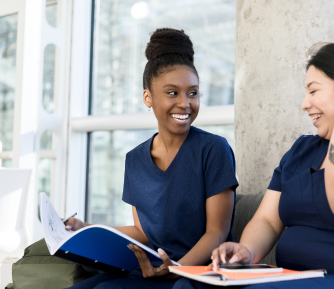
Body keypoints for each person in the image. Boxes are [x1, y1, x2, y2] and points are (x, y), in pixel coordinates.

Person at [173, 42, 334, 289]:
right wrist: (246, 252)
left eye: (313, 91)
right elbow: (268, 220)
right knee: (189, 286)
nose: (304, 104)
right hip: (293, 278)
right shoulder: (302, 150)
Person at [65, 28, 239, 289]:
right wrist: (84, 228)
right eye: (172, 93)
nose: (185, 103)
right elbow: (142, 233)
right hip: (154, 269)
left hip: (199, 272)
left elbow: (217, 233)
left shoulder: (213, 149)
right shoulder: (134, 160)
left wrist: (177, 270)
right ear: (148, 97)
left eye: (193, 93)